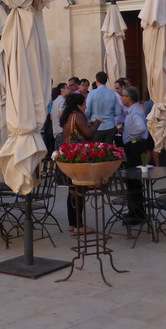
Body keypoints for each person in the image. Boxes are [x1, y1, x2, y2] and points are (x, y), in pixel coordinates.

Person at [58, 92, 97, 233]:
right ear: (79, 105)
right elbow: (88, 134)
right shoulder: (78, 115)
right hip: (77, 155)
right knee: (80, 190)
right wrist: (97, 123)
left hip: (68, 154)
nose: (86, 106)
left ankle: (72, 224)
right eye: (84, 104)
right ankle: (79, 225)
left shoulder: (68, 115)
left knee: (72, 190)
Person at [120, 86, 149, 225]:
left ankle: (137, 213)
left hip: (135, 147)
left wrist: (132, 137)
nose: (121, 98)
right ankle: (134, 210)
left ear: (129, 98)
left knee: (133, 179)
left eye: (123, 95)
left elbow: (141, 128)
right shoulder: (132, 111)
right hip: (134, 146)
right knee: (132, 180)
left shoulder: (135, 112)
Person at [86, 71, 121, 144]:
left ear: (96, 80)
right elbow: (118, 112)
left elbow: (87, 111)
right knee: (108, 151)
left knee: (96, 151)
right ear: (106, 80)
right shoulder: (112, 94)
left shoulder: (92, 94)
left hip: (96, 126)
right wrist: (109, 115)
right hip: (110, 125)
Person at [48, 82, 69, 154]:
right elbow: (61, 113)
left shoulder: (55, 101)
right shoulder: (63, 100)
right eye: (67, 88)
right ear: (62, 90)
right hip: (61, 131)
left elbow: (51, 117)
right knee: (63, 154)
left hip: (56, 131)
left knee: (57, 155)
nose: (68, 90)